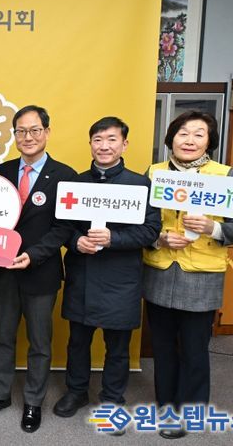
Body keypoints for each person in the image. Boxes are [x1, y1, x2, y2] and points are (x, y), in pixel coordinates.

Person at [143, 110, 233, 440]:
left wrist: (212, 227)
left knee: (194, 349)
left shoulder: (225, 175)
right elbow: (139, 223)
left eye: (198, 134)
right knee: (162, 348)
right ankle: (167, 409)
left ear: (209, 141)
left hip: (202, 276)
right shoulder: (154, 173)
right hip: (161, 271)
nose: (189, 140)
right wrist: (158, 238)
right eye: (183, 133)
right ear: (171, 138)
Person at [53, 117, 161, 427]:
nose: (104, 146)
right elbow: (63, 228)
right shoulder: (76, 183)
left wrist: (114, 238)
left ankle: (112, 399)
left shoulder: (140, 185)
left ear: (124, 144)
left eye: (112, 139)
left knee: (118, 346)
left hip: (121, 278)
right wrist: (76, 242)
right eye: (98, 140)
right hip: (83, 274)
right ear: (90, 144)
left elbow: (151, 230)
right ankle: (76, 391)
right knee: (77, 341)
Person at [0, 105, 77, 433]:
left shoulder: (65, 175)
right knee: (2, 337)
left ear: (47, 132)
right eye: (21, 131)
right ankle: (0, 394)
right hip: (4, 270)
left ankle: (34, 401)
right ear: (15, 135)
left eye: (35, 130)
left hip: (41, 270)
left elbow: (63, 227)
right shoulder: (3, 171)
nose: (28, 137)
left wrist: (33, 255)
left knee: (39, 342)